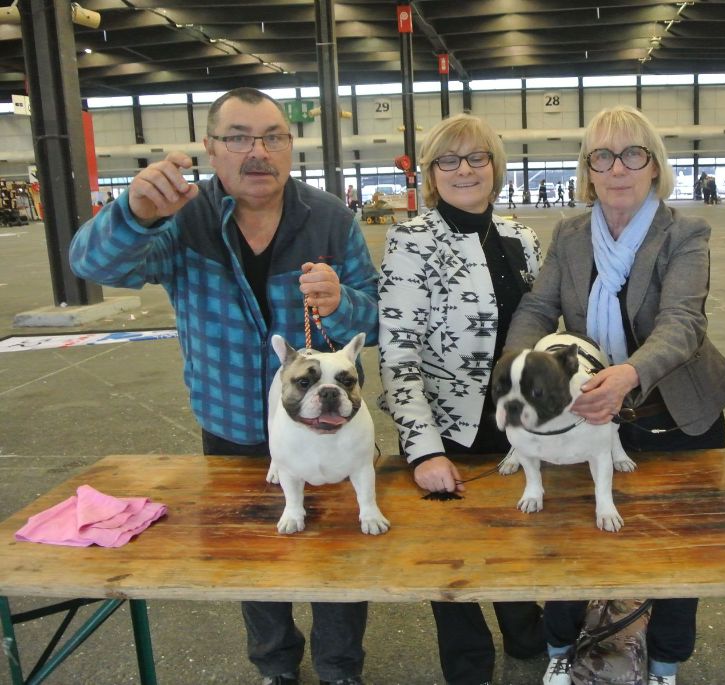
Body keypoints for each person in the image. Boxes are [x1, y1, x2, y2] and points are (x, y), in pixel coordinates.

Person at [70, 87, 379, 685]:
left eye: (272, 137)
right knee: (252, 561)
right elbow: (93, 265)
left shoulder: (332, 220)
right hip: (232, 430)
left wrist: (343, 302)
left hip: (334, 432)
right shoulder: (181, 221)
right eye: (238, 137)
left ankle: (341, 670)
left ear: (291, 148)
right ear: (212, 148)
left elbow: (374, 321)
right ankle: (275, 668)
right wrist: (132, 214)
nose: (256, 151)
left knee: (341, 558)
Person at [503, 105, 725, 685]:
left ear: (654, 166)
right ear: (588, 169)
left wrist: (628, 375)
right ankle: (562, 648)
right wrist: (518, 365)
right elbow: (538, 307)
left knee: (677, 554)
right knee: (569, 539)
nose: (618, 168)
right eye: (603, 156)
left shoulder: (684, 233)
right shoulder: (569, 233)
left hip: (674, 415)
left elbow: (682, 322)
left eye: (633, 154)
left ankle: (663, 663)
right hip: (585, 410)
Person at [377, 113, 545, 685]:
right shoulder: (410, 240)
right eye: (447, 160)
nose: (463, 170)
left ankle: (528, 637)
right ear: (430, 174)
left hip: (518, 427)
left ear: (495, 167)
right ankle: (469, 667)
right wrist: (423, 451)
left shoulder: (523, 237)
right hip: (449, 430)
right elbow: (396, 354)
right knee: (453, 564)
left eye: (477, 158)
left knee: (519, 545)